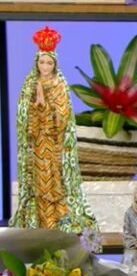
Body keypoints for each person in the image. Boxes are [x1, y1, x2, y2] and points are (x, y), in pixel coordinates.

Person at [11, 26, 98, 233]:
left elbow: (63, 114)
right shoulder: (30, 83)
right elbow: (23, 113)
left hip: (54, 142)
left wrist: (45, 105)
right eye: (41, 62)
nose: (45, 66)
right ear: (36, 63)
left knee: (54, 179)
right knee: (38, 180)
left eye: (49, 63)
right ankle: (39, 220)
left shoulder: (59, 84)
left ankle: (57, 219)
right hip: (36, 140)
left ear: (55, 64)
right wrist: (35, 106)